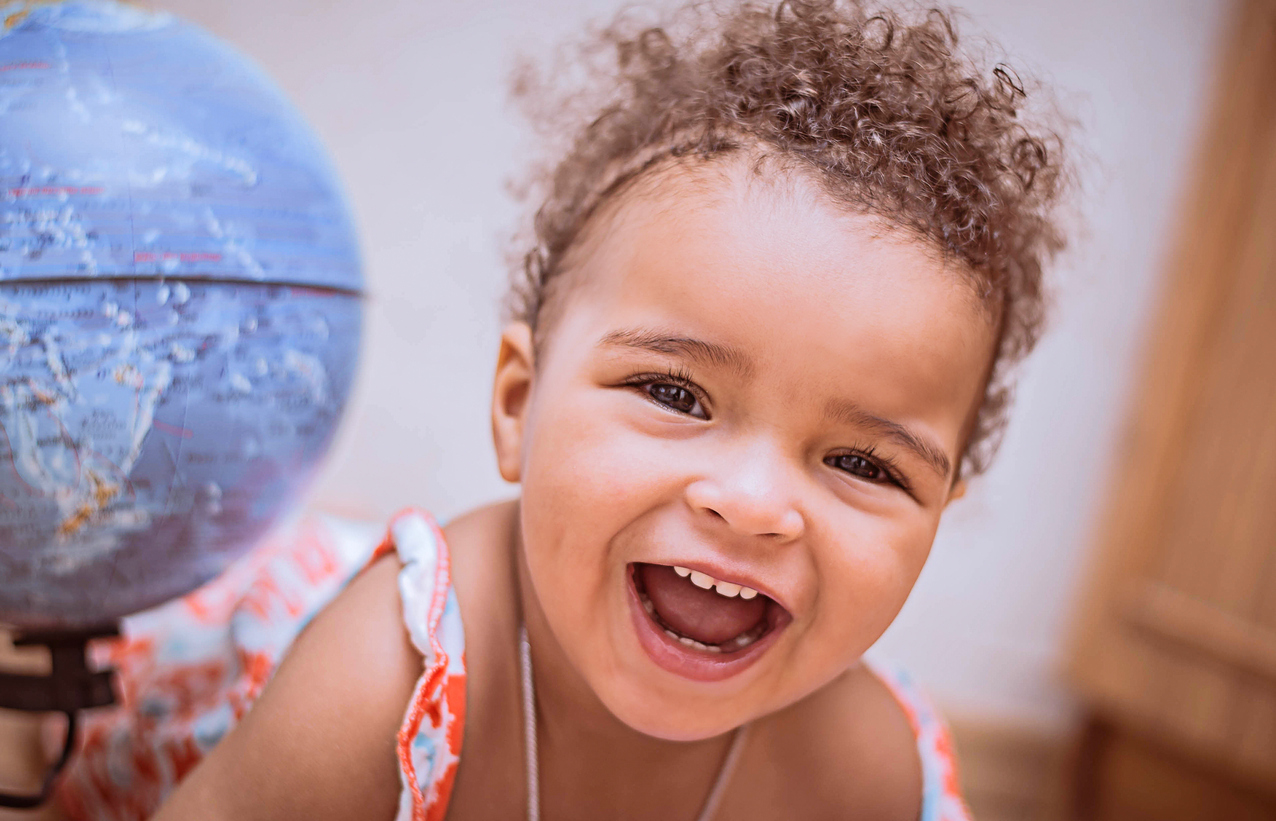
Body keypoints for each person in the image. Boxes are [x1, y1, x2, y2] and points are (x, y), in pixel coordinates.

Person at [52, 1, 1068, 818]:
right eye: (676, 394)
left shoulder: (863, 771)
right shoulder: (381, 685)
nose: (754, 502)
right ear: (518, 402)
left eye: (865, 464)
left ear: (938, 512)